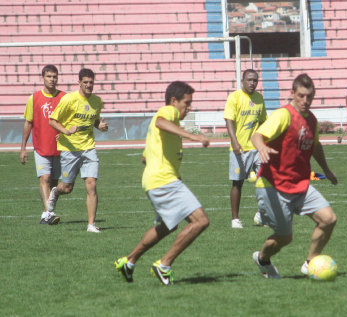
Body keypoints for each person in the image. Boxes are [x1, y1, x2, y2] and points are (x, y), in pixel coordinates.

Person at [114, 81, 210, 285]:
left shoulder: (167, 122)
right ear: (174, 100)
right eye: (187, 103)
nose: (189, 107)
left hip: (155, 179)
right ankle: (164, 265)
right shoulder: (169, 111)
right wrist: (194, 137)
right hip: (162, 180)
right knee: (200, 221)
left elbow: (144, 157)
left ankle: (129, 261)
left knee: (167, 226)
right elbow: (160, 122)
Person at [250, 73, 338, 279]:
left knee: (329, 219)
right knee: (284, 237)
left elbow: (315, 146)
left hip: (300, 185)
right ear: (292, 94)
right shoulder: (283, 115)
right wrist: (261, 146)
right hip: (273, 185)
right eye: (301, 96)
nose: (305, 101)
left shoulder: (312, 120)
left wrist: (326, 169)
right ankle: (262, 259)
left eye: (309, 97)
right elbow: (257, 135)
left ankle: (310, 263)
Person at [47, 68, 108, 233]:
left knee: (92, 184)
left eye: (91, 82)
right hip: (70, 149)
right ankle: (55, 191)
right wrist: (66, 131)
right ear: (79, 82)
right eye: (85, 82)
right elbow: (53, 120)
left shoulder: (97, 101)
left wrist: (100, 126)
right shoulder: (69, 99)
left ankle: (91, 225)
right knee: (67, 188)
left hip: (88, 147)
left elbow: (94, 121)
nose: (89, 85)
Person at [20, 64, 66, 225]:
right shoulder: (34, 98)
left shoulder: (64, 98)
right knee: (45, 178)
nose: (52, 79)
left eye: (54, 77)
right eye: (49, 76)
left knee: (54, 183)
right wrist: (23, 148)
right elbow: (28, 123)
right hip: (41, 147)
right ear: (43, 78)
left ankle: (48, 213)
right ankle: (48, 213)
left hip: (60, 148)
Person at [224, 69, 267, 228]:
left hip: (257, 148)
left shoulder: (260, 98)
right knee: (237, 183)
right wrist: (235, 142)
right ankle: (235, 219)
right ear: (242, 80)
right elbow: (229, 121)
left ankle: (262, 214)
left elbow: (263, 122)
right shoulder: (234, 97)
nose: (252, 83)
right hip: (239, 149)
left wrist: (265, 142)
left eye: (255, 80)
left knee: (266, 179)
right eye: (249, 80)